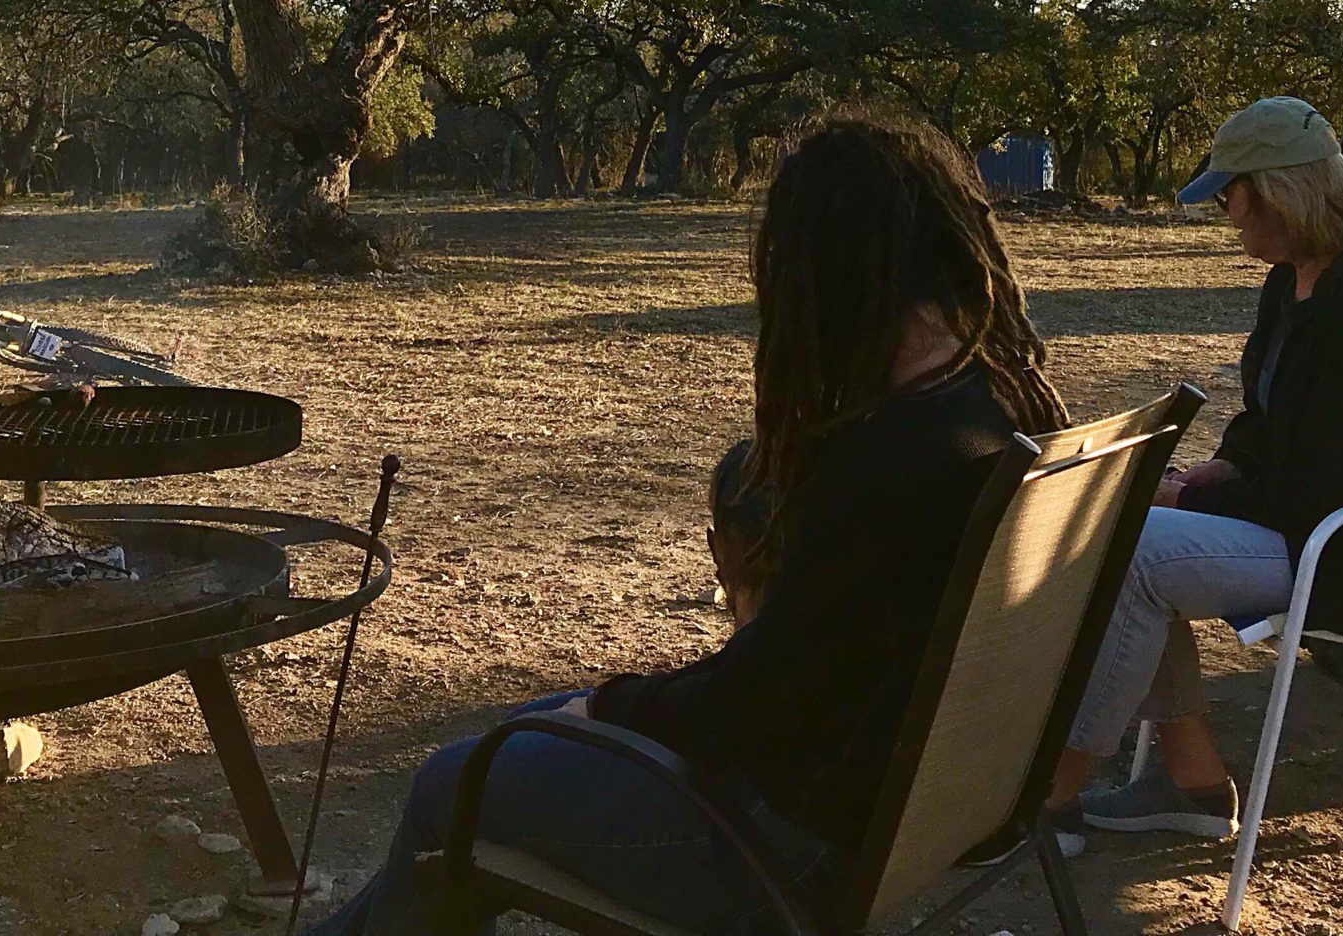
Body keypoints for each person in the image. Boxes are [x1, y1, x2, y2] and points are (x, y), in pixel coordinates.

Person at [305, 109, 1074, 936]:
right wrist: (612, 705)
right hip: (908, 812)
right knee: (521, 737)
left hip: (785, 848)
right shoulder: (998, 407)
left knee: (451, 787)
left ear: (834, 271)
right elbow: (799, 673)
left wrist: (613, 709)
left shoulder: (889, 459)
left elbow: (755, 705)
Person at [1062, 97, 1343, 841]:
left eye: (1233, 192)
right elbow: (1275, 422)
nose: (1227, 210)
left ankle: (1049, 797)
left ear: (1282, 193)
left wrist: (1225, 500)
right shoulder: (1297, 281)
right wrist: (1220, 470)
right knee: (1129, 532)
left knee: (1134, 552)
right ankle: (1192, 783)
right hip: (1325, 521)